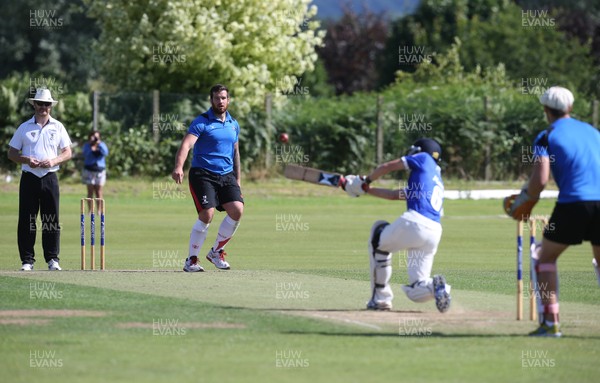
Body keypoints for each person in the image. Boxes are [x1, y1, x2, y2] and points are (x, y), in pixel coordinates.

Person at [505, 86, 600, 337]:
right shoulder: (593, 131)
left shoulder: (547, 135)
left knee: (544, 259)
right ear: (570, 107)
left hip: (574, 203)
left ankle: (551, 323)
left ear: (546, 110)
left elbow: (541, 179)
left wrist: (525, 202)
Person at [343, 138, 451, 313]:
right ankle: (438, 287)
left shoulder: (423, 158)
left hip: (416, 222)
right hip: (434, 232)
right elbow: (395, 195)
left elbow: (388, 166)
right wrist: (365, 190)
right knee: (416, 289)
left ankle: (380, 299)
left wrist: (365, 179)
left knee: (378, 238)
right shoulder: (432, 178)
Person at [171, 84, 243, 272]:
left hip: (226, 175)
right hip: (203, 174)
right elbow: (186, 145)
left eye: (223, 98)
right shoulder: (201, 121)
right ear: (211, 100)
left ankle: (216, 252)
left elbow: (236, 153)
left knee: (237, 210)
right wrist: (179, 166)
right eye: (217, 98)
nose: (220, 101)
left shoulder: (233, 124)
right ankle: (191, 260)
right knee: (207, 214)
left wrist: (238, 179)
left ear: (228, 100)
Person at [7, 88, 72, 271]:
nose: (43, 107)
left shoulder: (58, 126)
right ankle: (27, 261)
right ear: (34, 104)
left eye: (47, 104)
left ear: (51, 106)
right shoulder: (24, 127)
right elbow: (11, 153)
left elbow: (67, 152)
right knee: (27, 219)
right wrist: (26, 160)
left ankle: (53, 259)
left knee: (51, 219)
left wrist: (53, 160)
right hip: (29, 177)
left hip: (50, 177)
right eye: (40, 103)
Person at [82, 130, 109, 209]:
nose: (94, 139)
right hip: (89, 170)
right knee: (90, 191)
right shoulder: (87, 145)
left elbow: (105, 153)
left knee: (99, 192)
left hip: (99, 170)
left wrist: (99, 144)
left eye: (96, 137)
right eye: (93, 136)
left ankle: (100, 211)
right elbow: (85, 154)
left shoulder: (101, 144)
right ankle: (90, 211)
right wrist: (91, 146)